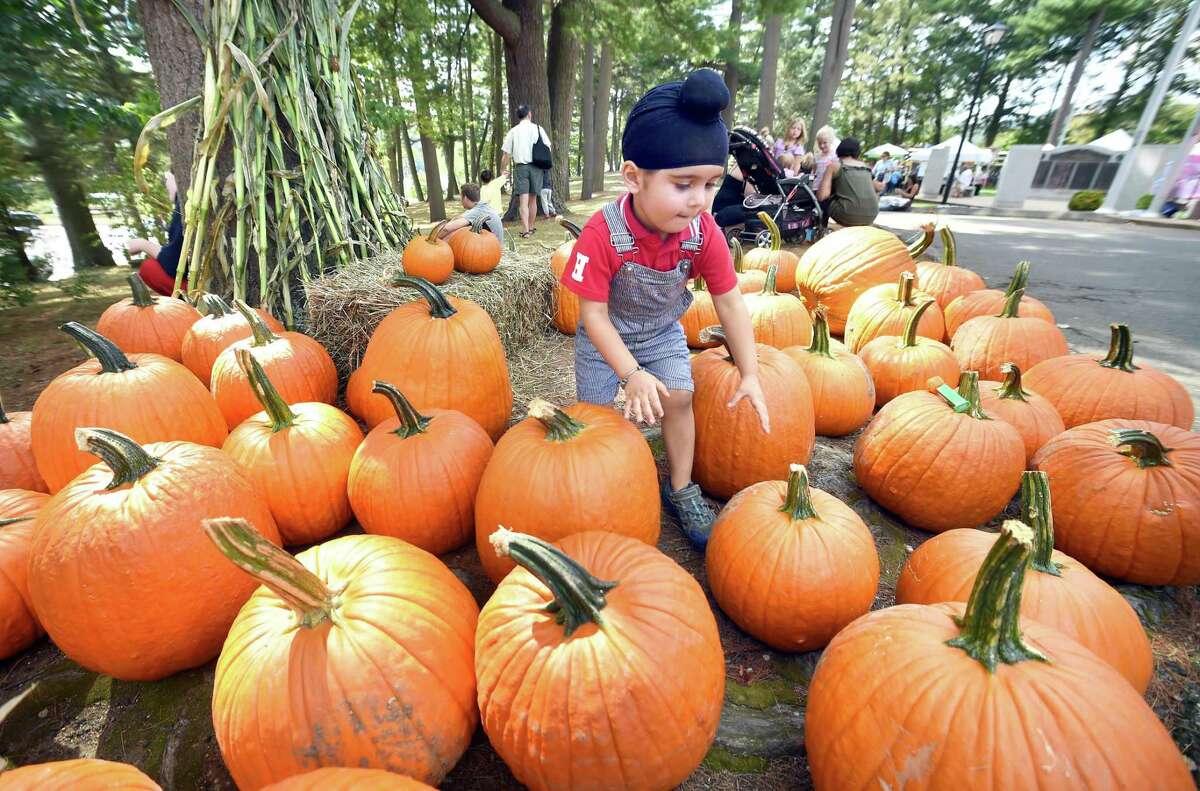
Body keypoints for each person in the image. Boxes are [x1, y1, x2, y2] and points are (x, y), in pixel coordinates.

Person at [558, 68, 768, 548]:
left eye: (711, 184)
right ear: (633, 177)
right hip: (604, 334)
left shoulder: (703, 232)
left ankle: (680, 488)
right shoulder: (602, 233)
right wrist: (631, 374)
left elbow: (730, 302)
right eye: (683, 184)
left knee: (680, 396)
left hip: (660, 332)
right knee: (593, 418)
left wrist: (751, 372)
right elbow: (591, 315)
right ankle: (598, 486)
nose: (699, 200)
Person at [126, 172, 184, 295]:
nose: (166, 184)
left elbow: (174, 263)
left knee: (149, 268)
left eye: (167, 179)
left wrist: (143, 244)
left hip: (194, 288)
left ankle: (189, 303)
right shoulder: (184, 204)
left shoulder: (183, 205)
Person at [500, 105, 551, 238]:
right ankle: (532, 226)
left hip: (521, 168)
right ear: (529, 114)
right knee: (533, 200)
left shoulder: (513, 131)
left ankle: (526, 230)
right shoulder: (538, 128)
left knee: (523, 201)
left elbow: (506, 154)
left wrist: (502, 169)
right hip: (536, 167)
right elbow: (548, 148)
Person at [816, 137, 881, 227]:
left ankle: (821, 230)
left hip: (848, 215)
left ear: (839, 149)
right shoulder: (866, 167)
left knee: (824, 200)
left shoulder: (834, 166)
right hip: (872, 214)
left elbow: (822, 196)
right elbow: (878, 187)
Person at [437, 183, 504, 245]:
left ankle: (440, 250)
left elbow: (447, 229)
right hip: (493, 246)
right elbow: (459, 218)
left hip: (490, 250)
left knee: (455, 231)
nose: (460, 201)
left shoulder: (477, 211)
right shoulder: (482, 206)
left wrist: (434, 240)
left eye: (461, 197)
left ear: (465, 198)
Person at [712, 159, 754, 230]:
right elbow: (751, 198)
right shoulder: (752, 165)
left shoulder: (743, 162)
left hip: (720, 211)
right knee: (760, 211)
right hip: (724, 213)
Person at [812, 125, 839, 190]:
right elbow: (813, 171)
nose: (822, 145)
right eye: (819, 143)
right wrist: (810, 181)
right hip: (816, 186)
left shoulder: (834, 156)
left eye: (825, 143)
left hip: (828, 186)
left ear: (831, 142)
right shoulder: (817, 156)